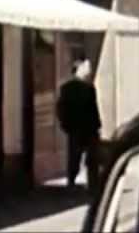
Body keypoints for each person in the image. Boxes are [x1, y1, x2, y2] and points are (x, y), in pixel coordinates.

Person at [57, 58, 102, 190]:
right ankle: (88, 182)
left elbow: (61, 108)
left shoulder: (70, 88)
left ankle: (75, 181)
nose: (90, 70)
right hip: (83, 127)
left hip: (80, 127)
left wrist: (65, 124)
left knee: (78, 155)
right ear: (79, 68)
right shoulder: (84, 88)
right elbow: (93, 109)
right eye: (87, 67)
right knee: (86, 156)